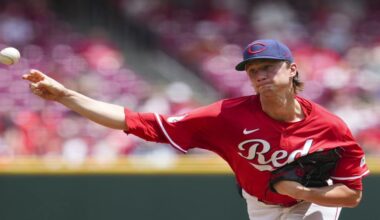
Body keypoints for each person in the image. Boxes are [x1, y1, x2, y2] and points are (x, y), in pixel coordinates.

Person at [23, 39, 369, 220]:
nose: (260, 74)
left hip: (313, 199)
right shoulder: (225, 116)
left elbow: (352, 196)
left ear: (292, 69)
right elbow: (138, 123)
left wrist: (302, 192)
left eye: (268, 67)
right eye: (252, 70)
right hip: (261, 203)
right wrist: (66, 95)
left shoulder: (330, 128)